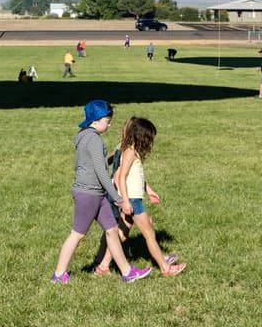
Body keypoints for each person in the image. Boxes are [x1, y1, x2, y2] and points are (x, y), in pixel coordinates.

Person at [51, 101, 152, 284]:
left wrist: (112, 158)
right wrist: (118, 199)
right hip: (89, 194)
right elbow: (101, 173)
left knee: (112, 230)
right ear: (96, 121)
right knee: (78, 234)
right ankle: (59, 274)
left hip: (97, 194)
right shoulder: (95, 140)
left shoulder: (83, 136)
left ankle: (127, 272)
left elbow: (87, 164)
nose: (109, 124)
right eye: (107, 120)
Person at [95, 117, 185, 277]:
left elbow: (136, 176)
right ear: (141, 136)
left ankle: (103, 267)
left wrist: (149, 190)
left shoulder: (132, 150)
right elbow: (120, 177)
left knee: (122, 232)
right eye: (149, 138)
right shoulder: (129, 152)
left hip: (132, 198)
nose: (150, 141)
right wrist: (126, 201)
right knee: (149, 233)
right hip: (132, 201)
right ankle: (165, 268)